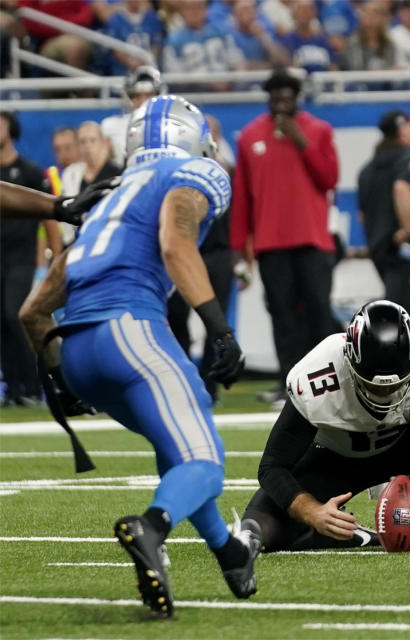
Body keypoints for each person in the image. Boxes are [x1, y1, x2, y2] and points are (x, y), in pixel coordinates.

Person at [17, 95, 258, 616]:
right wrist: (220, 329)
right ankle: (151, 527)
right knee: (204, 460)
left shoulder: (108, 197)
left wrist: (61, 382)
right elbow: (175, 244)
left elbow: (33, 312)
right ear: (192, 139)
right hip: (130, 332)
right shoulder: (198, 171)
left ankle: (229, 551)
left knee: (177, 445)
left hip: (78, 351)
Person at [239, 300, 410, 551]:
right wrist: (312, 512)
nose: (386, 395)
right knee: (257, 529)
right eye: (374, 386)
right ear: (349, 362)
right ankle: (335, 534)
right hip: (334, 460)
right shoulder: (317, 377)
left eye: (395, 386)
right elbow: (272, 466)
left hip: (402, 448)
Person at [232, 69, 339, 405]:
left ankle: (331, 385)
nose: (280, 103)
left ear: (297, 99)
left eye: (287, 97)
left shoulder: (318, 130)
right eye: (275, 97)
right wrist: (239, 250)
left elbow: (329, 178)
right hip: (270, 245)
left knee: (320, 313)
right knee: (282, 316)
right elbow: (242, 200)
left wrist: (300, 140)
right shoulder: (249, 136)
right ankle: (290, 385)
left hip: (313, 241)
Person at [168, 115, 236, 404]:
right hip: (185, 251)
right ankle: (183, 382)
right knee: (177, 319)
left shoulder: (224, 168)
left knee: (215, 322)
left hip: (218, 253)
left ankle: (210, 386)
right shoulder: (179, 167)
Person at [0, 111, 60, 407]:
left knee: (16, 315)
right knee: (1, 321)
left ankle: (36, 386)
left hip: (22, 259)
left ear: (11, 129)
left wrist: (54, 258)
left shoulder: (31, 172)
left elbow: (50, 217)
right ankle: (12, 390)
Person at [357, 110, 410, 318]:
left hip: (379, 248)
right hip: (400, 247)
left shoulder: (367, 168)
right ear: (401, 131)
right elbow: (402, 188)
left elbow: (362, 215)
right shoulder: (408, 158)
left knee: (396, 305)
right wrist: (408, 228)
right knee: (405, 313)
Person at [101, 66, 167, 172]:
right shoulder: (112, 125)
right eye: (137, 96)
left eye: (148, 95)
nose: (143, 101)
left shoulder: (170, 124)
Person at [101, 0, 164, 77]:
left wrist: (147, 60)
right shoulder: (115, 20)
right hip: (123, 71)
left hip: (149, 68)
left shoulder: (152, 18)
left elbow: (157, 44)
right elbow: (115, 48)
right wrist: (131, 63)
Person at [75, 122, 123, 191]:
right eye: (82, 142)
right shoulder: (72, 175)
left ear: (104, 143)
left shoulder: (117, 174)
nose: (87, 146)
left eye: (92, 140)